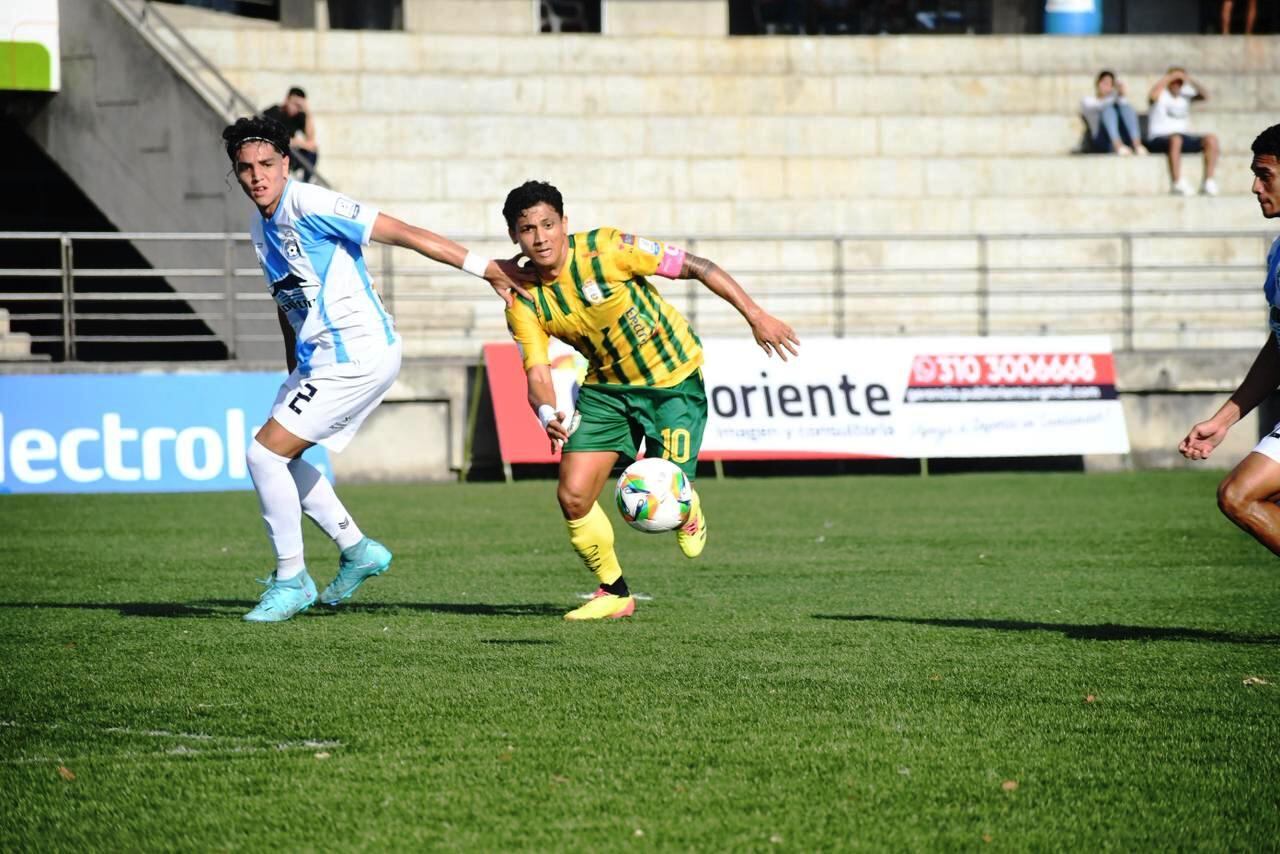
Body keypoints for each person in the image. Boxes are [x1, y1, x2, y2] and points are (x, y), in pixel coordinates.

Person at [222, 115, 530, 622]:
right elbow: (287, 300)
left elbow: (404, 232)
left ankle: (292, 579)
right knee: (283, 461)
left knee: (262, 458)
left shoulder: (310, 203)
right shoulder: (260, 225)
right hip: (319, 359)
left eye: (267, 164)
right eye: (245, 168)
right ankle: (358, 550)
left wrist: (487, 269)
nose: (257, 176)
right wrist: (294, 367)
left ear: (285, 163)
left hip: (359, 353)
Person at [500, 180, 800, 621]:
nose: (540, 237)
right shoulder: (523, 298)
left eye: (548, 224)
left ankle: (688, 506)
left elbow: (697, 266)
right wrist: (547, 411)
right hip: (607, 390)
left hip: (672, 382)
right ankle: (614, 592)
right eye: (528, 229)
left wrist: (756, 315)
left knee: (666, 494)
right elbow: (537, 371)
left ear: (565, 223)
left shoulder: (608, 248)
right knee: (573, 495)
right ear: (514, 236)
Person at [1179, 123, 1280, 556]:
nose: (1255, 187)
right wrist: (1223, 421)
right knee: (1250, 498)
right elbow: (1279, 346)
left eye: (1265, 175)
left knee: (1240, 495)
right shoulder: (1278, 251)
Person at [1146, 67, 1220, 196]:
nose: (1177, 84)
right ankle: (1177, 182)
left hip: (1182, 137)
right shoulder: (1161, 94)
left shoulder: (1185, 95)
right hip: (1159, 138)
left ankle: (1208, 181)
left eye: (1179, 82)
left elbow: (1205, 96)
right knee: (1176, 139)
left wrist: (1189, 79)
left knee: (1211, 139)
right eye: (1174, 81)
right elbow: (1152, 96)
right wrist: (1169, 77)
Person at [1080, 70, 1148, 156]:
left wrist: (1121, 95)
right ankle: (1117, 145)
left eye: (1110, 84)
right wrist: (1116, 95)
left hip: (1121, 137)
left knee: (1126, 107)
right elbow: (1101, 106)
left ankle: (1137, 144)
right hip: (1101, 140)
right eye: (1105, 83)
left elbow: (1127, 110)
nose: (1107, 87)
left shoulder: (1113, 99)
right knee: (1108, 110)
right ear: (1098, 83)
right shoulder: (1088, 100)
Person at [263, 87, 320, 183]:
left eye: (299, 106)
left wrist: (307, 112)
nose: (296, 109)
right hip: (273, 153)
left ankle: (306, 181)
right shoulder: (274, 112)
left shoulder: (298, 116)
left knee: (312, 152)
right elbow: (271, 137)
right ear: (287, 100)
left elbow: (311, 140)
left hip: (289, 154)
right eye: (295, 104)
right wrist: (295, 142)